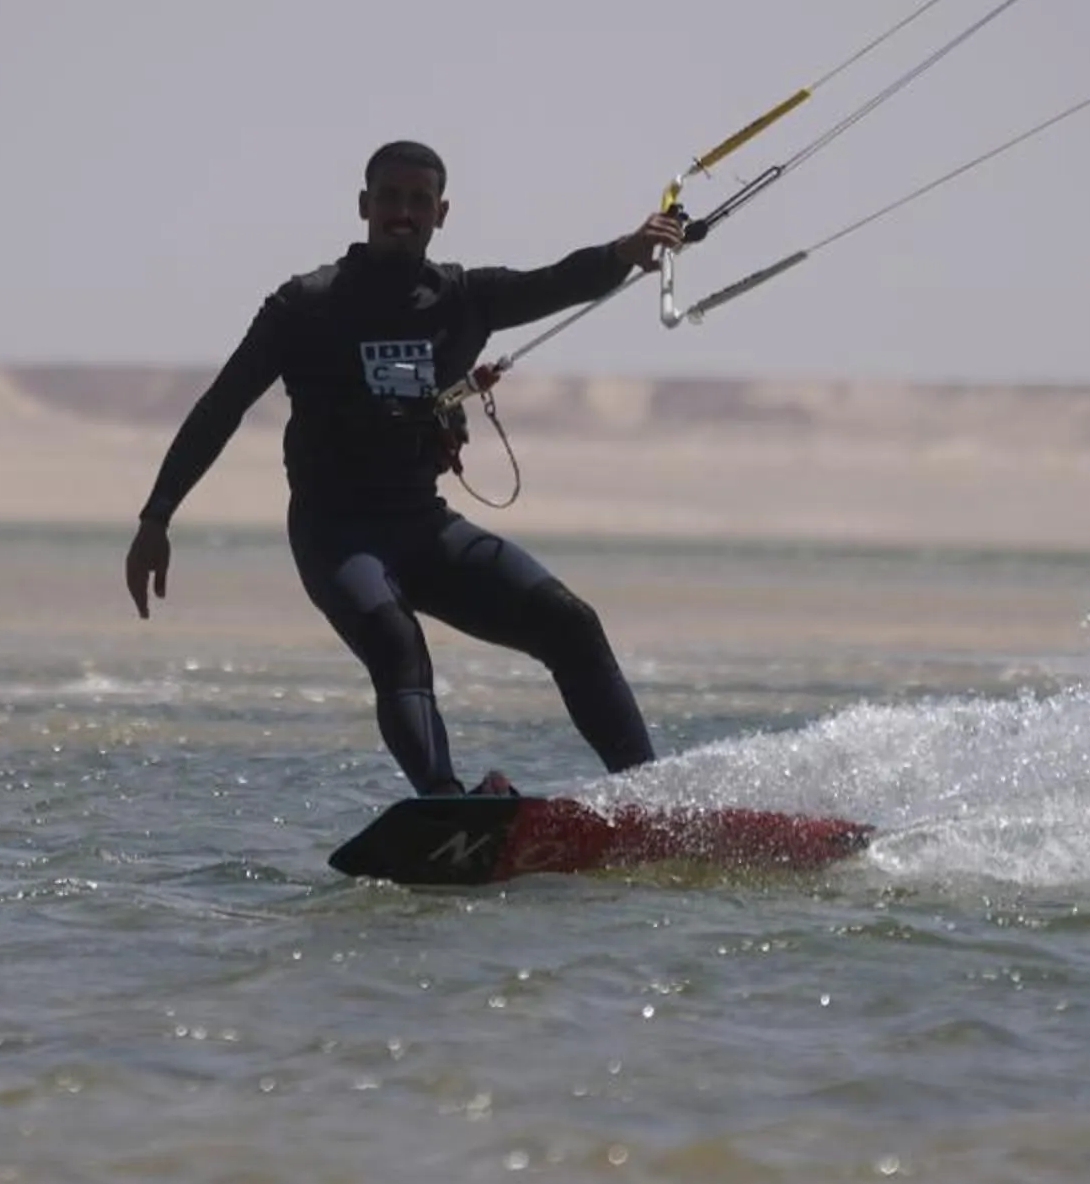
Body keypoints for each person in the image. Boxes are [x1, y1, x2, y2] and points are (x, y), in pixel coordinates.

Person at [123, 141, 686, 796]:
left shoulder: (463, 298)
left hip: (425, 529)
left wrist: (625, 251)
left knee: (572, 624)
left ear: (441, 213)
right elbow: (220, 407)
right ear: (364, 206)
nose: (402, 212)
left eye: (419, 200)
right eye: (389, 197)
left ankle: (655, 803)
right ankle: (446, 806)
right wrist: (156, 516)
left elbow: (557, 282)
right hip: (337, 537)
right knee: (395, 642)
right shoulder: (304, 306)